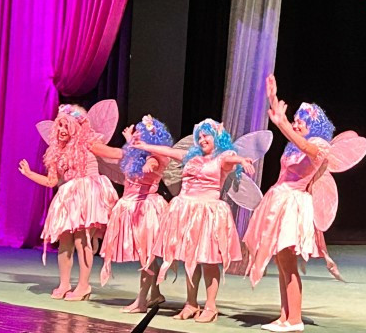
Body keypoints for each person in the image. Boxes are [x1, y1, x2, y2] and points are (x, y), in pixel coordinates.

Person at [244, 75, 366, 333]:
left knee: (288, 262)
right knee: (281, 262)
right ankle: (284, 316)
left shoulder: (319, 145)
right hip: (278, 200)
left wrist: (282, 123)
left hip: (293, 204)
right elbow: (293, 138)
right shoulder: (293, 146)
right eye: (296, 120)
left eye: (301, 120)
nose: (296, 123)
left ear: (314, 125)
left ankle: (295, 319)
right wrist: (272, 99)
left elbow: (304, 145)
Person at [132, 118, 253, 324]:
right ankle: (191, 303)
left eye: (207, 136)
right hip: (186, 210)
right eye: (200, 136)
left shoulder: (222, 157)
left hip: (207, 212)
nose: (203, 139)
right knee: (189, 258)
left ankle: (211, 306)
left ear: (217, 138)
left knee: (208, 260)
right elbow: (167, 151)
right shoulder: (191, 156)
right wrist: (144, 146)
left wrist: (242, 161)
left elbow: (231, 158)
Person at [18, 104, 118, 301]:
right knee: (65, 241)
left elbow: (112, 153)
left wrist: (134, 148)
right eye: (60, 126)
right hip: (68, 197)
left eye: (66, 126)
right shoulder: (56, 152)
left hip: (87, 193)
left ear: (76, 127)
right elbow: (51, 181)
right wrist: (29, 174)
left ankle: (84, 285)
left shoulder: (88, 143)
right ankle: (64, 283)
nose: (62, 130)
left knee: (82, 240)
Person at [92, 115, 173, 312]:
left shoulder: (155, 158)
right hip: (131, 206)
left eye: (140, 134)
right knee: (146, 255)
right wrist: (128, 140)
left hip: (145, 208)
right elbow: (108, 152)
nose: (136, 135)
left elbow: (152, 164)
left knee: (147, 256)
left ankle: (141, 302)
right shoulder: (134, 153)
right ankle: (155, 293)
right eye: (136, 132)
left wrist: (148, 166)